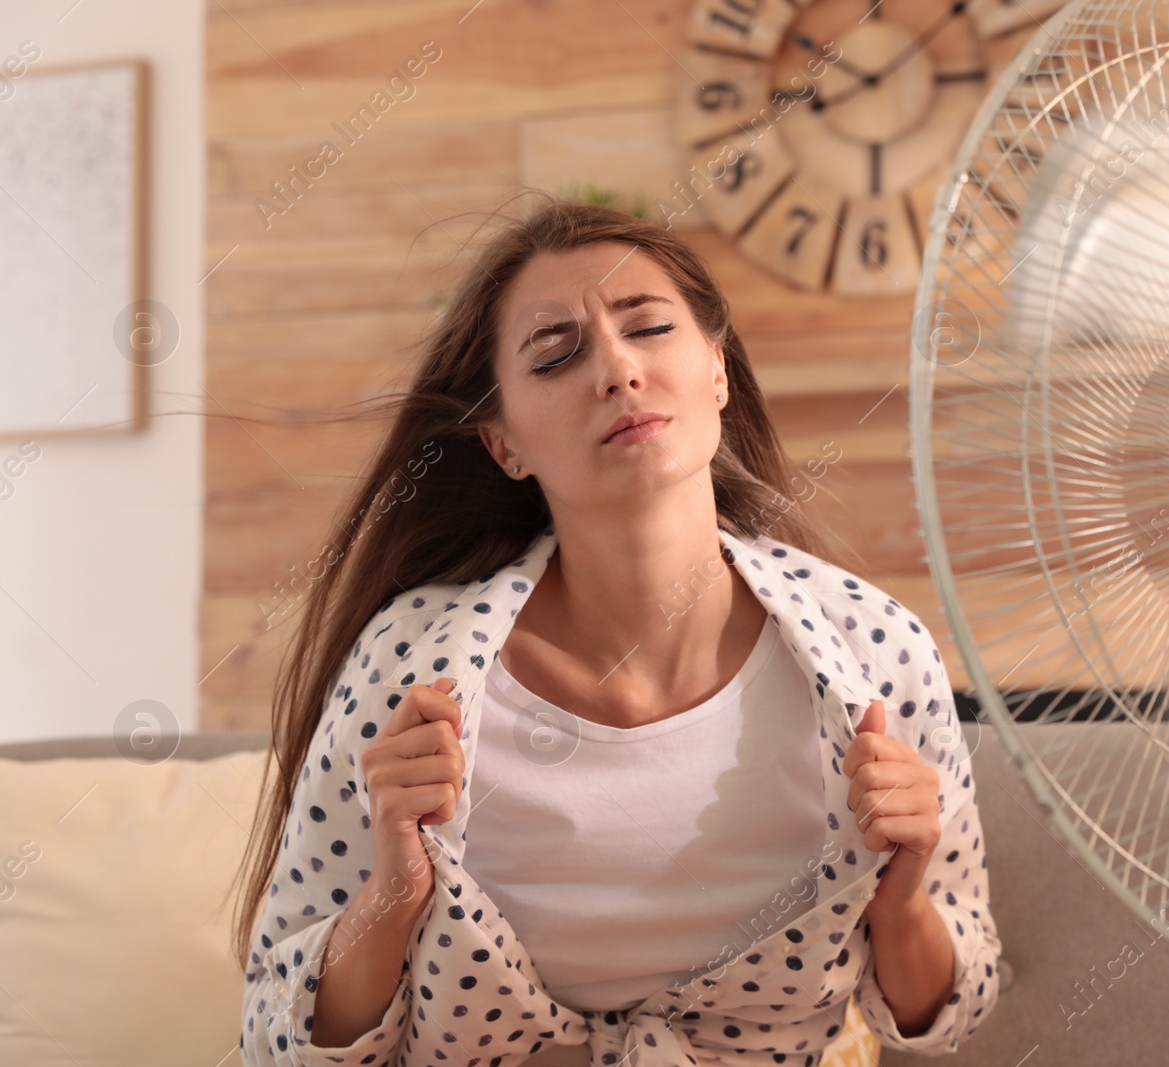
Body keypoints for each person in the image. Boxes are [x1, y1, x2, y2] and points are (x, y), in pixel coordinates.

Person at [231, 194, 1002, 1067]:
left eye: (649, 329)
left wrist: (900, 903)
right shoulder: (408, 666)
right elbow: (274, 1038)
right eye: (556, 356)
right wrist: (394, 891)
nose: (617, 370)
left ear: (717, 367)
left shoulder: (876, 651)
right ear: (503, 442)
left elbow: (951, 1010)